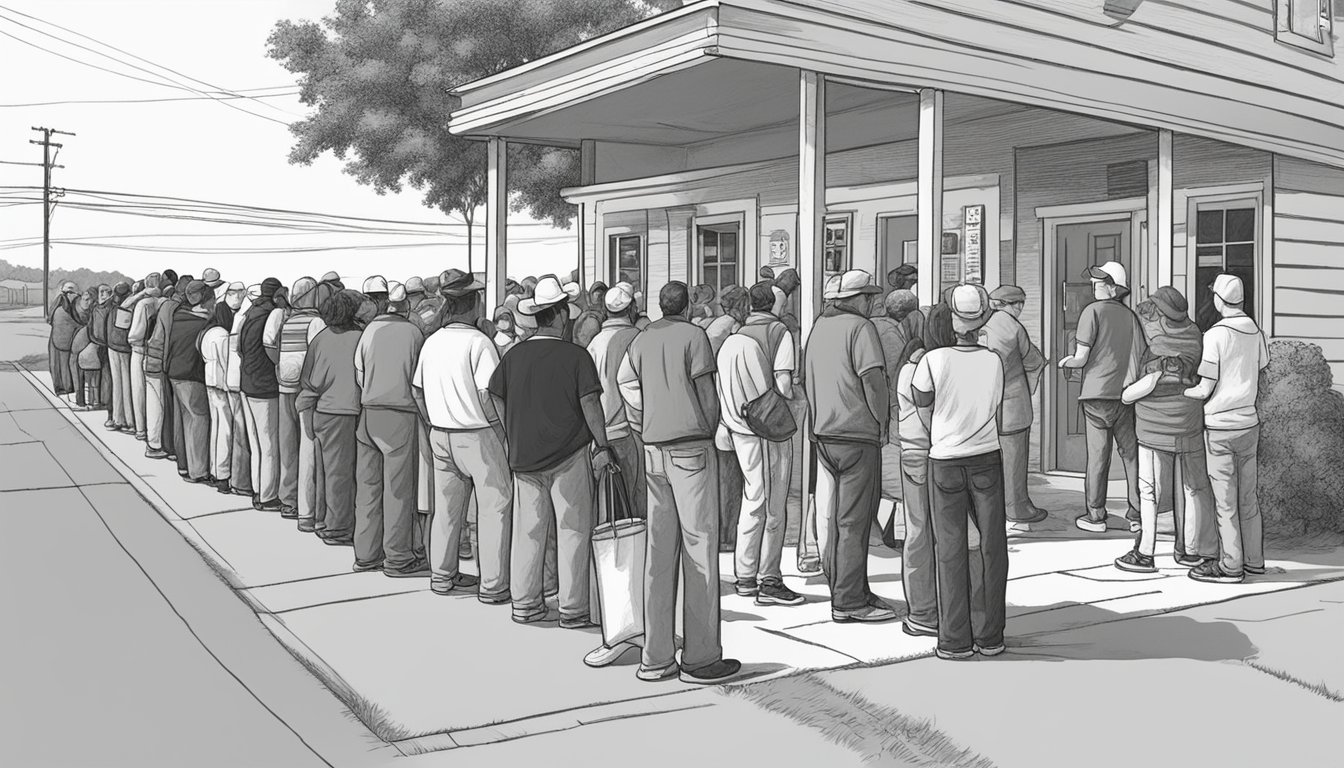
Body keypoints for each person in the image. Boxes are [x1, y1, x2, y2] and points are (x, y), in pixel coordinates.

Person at [618, 281, 741, 684]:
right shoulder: (695, 336)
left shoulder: (640, 339)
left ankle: (656, 656)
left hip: (653, 448)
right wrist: (708, 429)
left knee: (659, 552)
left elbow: (627, 386)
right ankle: (701, 656)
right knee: (699, 549)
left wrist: (641, 424)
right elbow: (706, 392)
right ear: (687, 306)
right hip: (690, 446)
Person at [489, 275, 606, 630]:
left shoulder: (515, 356)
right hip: (569, 453)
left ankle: (525, 603)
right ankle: (572, 608)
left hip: (524, 456)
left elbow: (493, 395)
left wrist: (508, 430)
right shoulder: (576, 356)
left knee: (529, 530)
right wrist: (602, 444)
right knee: (572, 529)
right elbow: (590, 403)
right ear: (557, 315)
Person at [912, 283, 1008, 660]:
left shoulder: (933, 361)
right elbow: (996, 402)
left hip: (945, 458)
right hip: (987, 455)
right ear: (981, 319)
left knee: (950, 548)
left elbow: (921, 403)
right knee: (991, 546)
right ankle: (991, 635)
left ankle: (954, 639)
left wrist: (938, 427)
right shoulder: (994, 360)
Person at [413, 269, 509, 599]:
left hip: (441, 434)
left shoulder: (431, 342)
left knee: (447, 509)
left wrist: (431, 420)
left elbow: (417, 391)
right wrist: (501, 429)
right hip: (478, 434)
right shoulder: (480, 343)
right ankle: (493, 585)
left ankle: (442, 576)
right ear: (472, 304)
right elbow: (488, 394)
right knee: (494, 507)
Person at [804, 270, 894, 623]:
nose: (871, 303)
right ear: (853, 299)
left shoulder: (818, 329)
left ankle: (848, 587)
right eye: (867, 297)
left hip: (824, 435)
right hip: (857, 434)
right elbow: (873, 380)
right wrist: (883, 422)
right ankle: (849, 600)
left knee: (835, 518)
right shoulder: (861, 329)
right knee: (854, 522)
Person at [1113, 286, 1218, 574]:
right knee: (1192, 489)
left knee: (1149, 490)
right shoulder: (1195, 335)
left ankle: (1145, 552)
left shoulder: (1153, 339)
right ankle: (1189, 551)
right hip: (1189, 421)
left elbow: (1143, 385)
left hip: (1153, 424)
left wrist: (1126, 395)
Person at [717, 280, 802, 607]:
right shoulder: (779, 333)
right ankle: (769, 578)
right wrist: (793, 388)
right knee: (774, 505)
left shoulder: (733, 338)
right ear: (776, 304)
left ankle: (745, 575)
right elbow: (783, 384)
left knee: (751, 500)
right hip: (768, 427)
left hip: (738, 428)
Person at [1183, 274, 1269, 584]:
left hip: (1219, 427)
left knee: (1225, 502)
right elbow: (1261, 364)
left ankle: (1231, 566)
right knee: (1248, 498)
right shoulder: (1255, 331)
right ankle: (1254, 560)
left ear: (1219, 300)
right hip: (1249, 423)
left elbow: (1204, 388)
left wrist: (1184, 391)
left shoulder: (1215, 335)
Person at [1058, 261, 1145, 534]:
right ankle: (1137, 514)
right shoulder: (1131, 317)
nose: (1094, 287)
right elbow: (1140, 355)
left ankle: (1096, 515)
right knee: (1131, 455)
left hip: (1095, 394)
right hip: (1125, 395)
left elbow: (1081, 358)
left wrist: (1065, 363)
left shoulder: (1091, 312)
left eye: (1098, 283)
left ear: (1112, 287)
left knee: (1098, 457)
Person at [353, 281, 428, 576]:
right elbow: (418, 378)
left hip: (369, 412)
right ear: (406, 307)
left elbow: (359, 372)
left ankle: (366, 554)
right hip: (400, 414)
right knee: (398, 489)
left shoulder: (370, 330)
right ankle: (398, 556)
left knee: (368, 487)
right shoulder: (413, 332)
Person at [297, 290, 366, 546]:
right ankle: (338, 528)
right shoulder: (359, 338)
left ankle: (323, 519)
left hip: (321, 410)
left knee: (325, 470)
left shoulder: (319, 339)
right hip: (346, 411)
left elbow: (307, 379)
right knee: (341, 473)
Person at [982, 285, 1048, 532]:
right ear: (1010, 305)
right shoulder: (1012, 327)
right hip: (1013, 406)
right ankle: (1017, 508)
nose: (1020, 308)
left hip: (986, 408)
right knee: (1014, 460)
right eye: (1018, 304)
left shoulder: (982, 326)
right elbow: (1033, 360)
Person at [585, 281, 645, 518]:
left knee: (607, 506)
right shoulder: (637, 337)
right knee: (636, 501)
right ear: (631, 309)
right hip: (632, 430)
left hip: (600, 433)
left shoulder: (594, 343)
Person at [895, 337, 937, 639]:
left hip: (910, 450)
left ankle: (921, 608)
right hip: (925, 451)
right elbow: (927, 415)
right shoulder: (920, 371)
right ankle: (924, 609)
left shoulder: (906, 369)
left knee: (917, 529)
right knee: (923, 531)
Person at [871, 289, 918, 543]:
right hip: (889, 410)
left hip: (876, 411)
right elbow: (894, 372)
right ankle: (892, 532)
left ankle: (885, 530)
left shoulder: (873, 325)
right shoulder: (892, 334)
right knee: (894, 473)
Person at [276, 277, 324, 521]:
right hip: (304, 393)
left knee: (287, 445)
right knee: (307, 447)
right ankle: (307, 504)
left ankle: (288, 499)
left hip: (285, 387)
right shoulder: (316, 322)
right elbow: (318, 357)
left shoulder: (288, 321)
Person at [239, 277, 284, 512]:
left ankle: (258, 490)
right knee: (269, 443)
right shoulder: (274, 313)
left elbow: (238, 347)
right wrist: (278, 365)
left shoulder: (250, 312)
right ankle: (268, 496)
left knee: (256, 442)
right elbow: (269, 343)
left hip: (247, 381)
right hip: (265, 384)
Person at [166, 281, 215, 484]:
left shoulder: (178, 318)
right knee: (199, 419)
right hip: (192, 376)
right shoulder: (204, 323)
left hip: (174, 374)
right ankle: (198, 471)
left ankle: (184, 466)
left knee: (184, 419)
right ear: (206, 301)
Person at [149, 274, 192, 472]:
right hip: (164, 361)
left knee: (166, 407)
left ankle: (167, 446)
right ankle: (168, 447)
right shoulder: (175, 309)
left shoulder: (166, 305)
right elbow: (167, 338)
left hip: (158, 359)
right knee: (168, 408)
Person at [199, 298, 234, 493]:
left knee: (216, 427)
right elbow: (226, 361)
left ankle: (214, 470)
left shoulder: (208, 332)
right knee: (225, 430)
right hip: (220, 383)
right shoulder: (222, 335)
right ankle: (222, 474)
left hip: (208, 379)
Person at [224, 283, 254, 499]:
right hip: (240, 381)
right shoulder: (245, 317)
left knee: (237, 432)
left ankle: (237, 479)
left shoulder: (240, 317)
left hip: (235, 380)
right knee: (243, 433)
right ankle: (241, 481)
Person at [125, 274, 162, 443]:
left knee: (138, 392)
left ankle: (141, 430)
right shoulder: (162, 302)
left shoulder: (143, 304)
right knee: (154, 397)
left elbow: (134, 334)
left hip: (139, 350)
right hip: (156, 352)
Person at [106, 281, 135, 432]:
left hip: (112, 346)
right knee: (126, 384)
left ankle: (117, 418)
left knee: (117, 384)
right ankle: (128, 421)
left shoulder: (110, 305)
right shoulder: (128, 306)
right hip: (123, 348)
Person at [48, 281, 81, 399]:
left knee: (58, 365)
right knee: (63, 365)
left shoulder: (58, 306)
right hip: (61, 342)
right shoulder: (63, 310)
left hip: (56, 341)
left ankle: (63, 387)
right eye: (75, 294)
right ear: (69, 294)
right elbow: (73, 323)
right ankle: (65, 388)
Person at [89, 284, 115, 426]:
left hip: (109, 347)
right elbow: (90, 328)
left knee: (109, 380)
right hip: (99, 346)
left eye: (107, 291)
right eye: (101, 291)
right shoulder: (95, 309)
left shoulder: (112, 308)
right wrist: (94, 340)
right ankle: (98, 402)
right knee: (100, 378)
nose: (103, 294)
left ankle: (110, 412)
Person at [573, 281, 608, 349]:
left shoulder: (587, 316)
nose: (599, 298)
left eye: (601, 296)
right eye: (598, 296)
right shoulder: (592, 320)